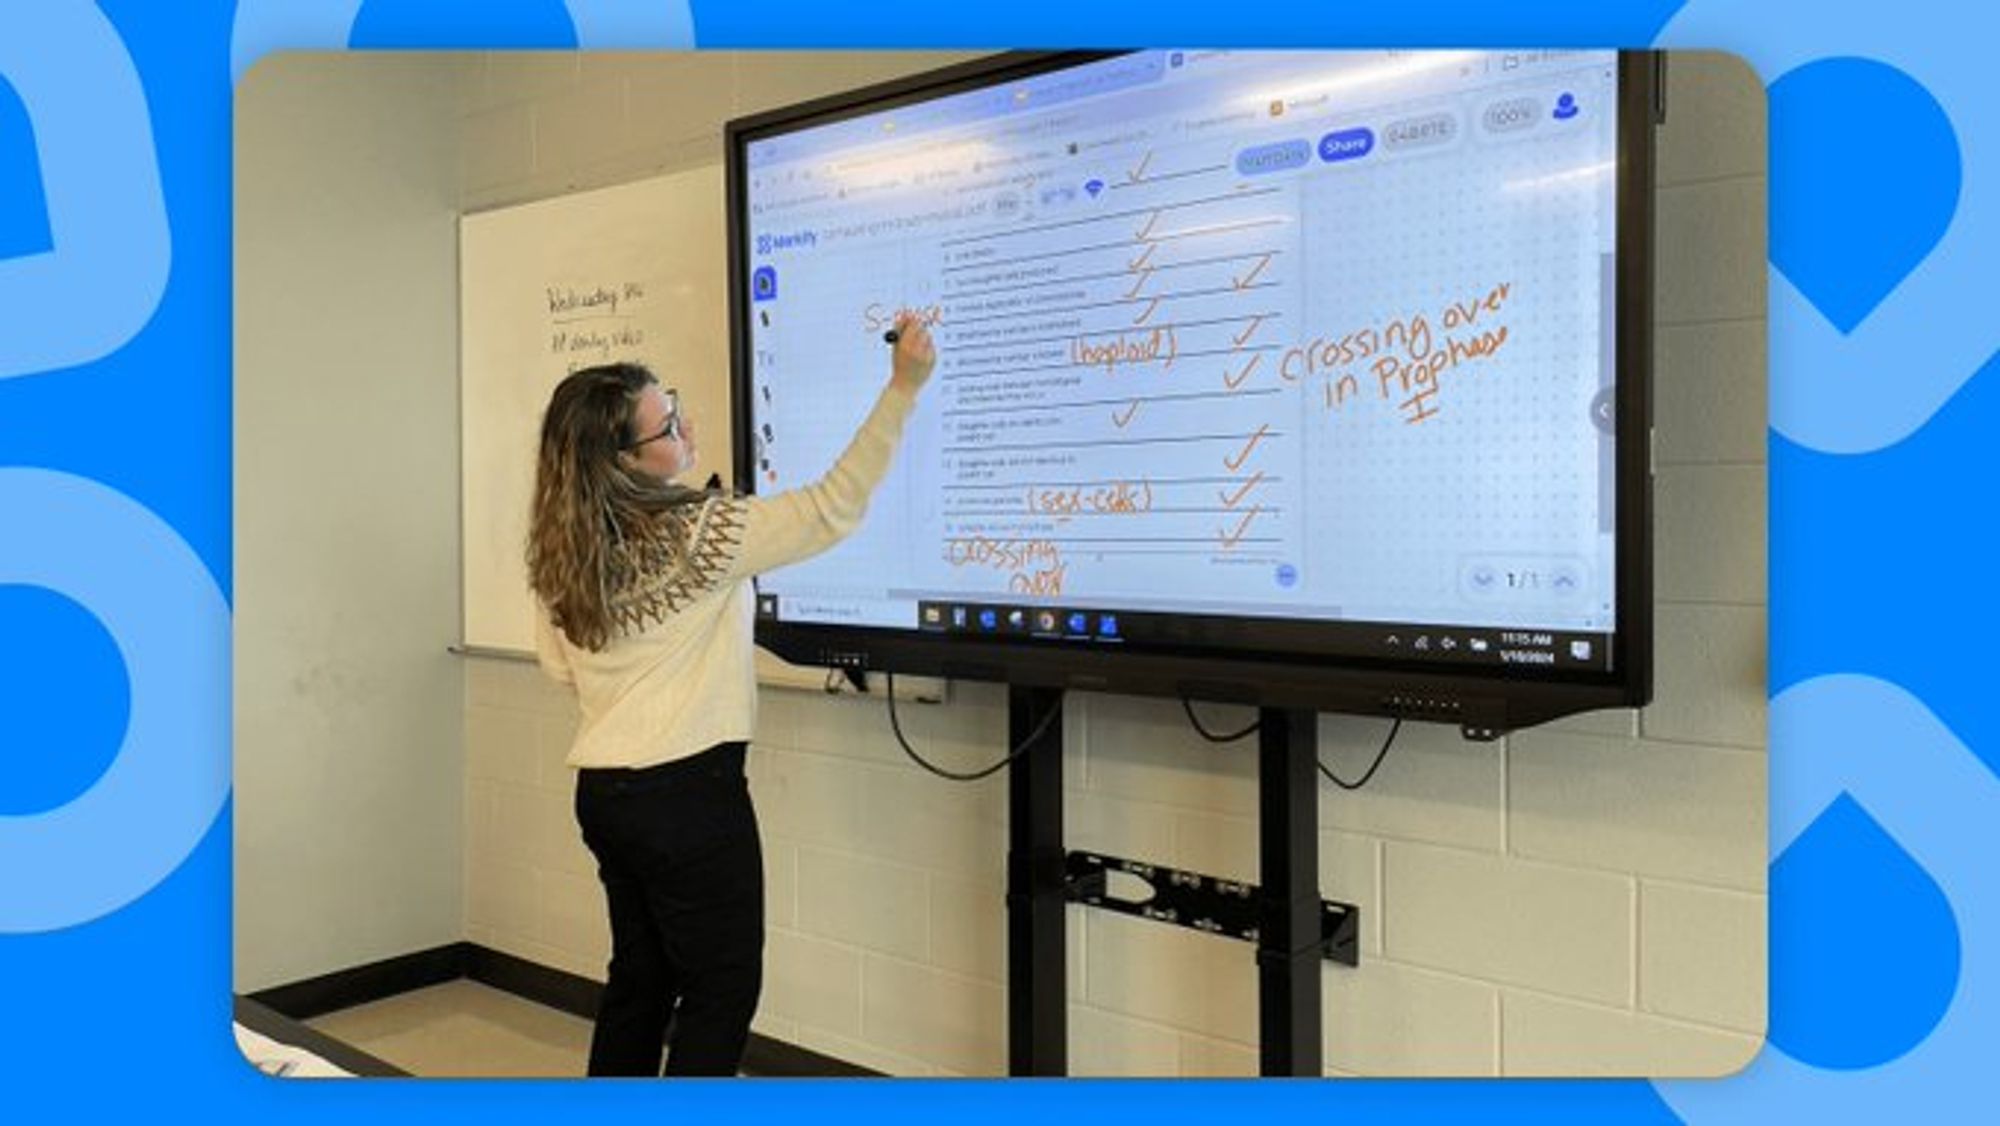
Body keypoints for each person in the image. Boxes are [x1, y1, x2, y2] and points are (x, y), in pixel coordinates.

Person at [525, 313, 937, 1076]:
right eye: (667, 423)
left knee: (640, 981)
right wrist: (903, 388)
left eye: (673, 405)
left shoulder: (562, 544)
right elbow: (831, 507)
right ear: (625, 460)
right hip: (687, 796)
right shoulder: (701, 533)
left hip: (607, 795)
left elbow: (558, 666)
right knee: (721, 989)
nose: (686, 426)